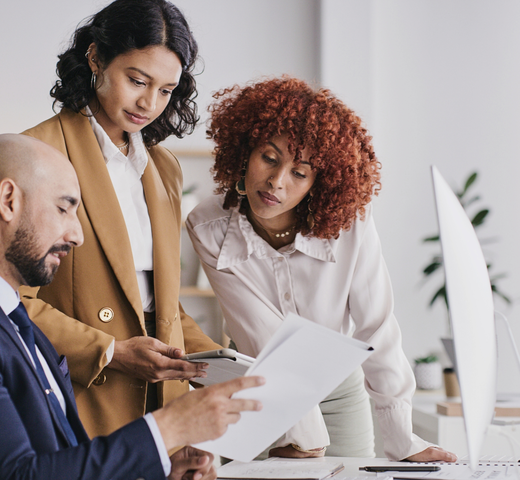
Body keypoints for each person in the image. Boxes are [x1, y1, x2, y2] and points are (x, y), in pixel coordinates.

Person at [0, 134, 264, 480]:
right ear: (8, 200)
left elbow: (58, 462)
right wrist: (169, 429)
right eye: (65, 209)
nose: (76, 234)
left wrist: (161, 467)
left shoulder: (5, 314)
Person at [186, 77, 457, 462]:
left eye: (299, 172)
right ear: (246, 150)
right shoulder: (207, 225)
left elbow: (376, 327)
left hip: (340, 390)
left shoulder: (351, 224)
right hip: (257, 387)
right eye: (269, 157)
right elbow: (258, 332)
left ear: (319, 182)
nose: (276, 182)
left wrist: (402, 439)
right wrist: (301, 437)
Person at [20, 0, 222, 438]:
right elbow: (10, 301)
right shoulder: (37, 154)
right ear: (95, 57)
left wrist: (226, 364)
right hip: (81, 392)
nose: (149, 103)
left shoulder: (164, 168)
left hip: (160, 399)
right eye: (137, 80)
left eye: (166, 90)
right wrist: (110, 351)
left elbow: (159, 305)